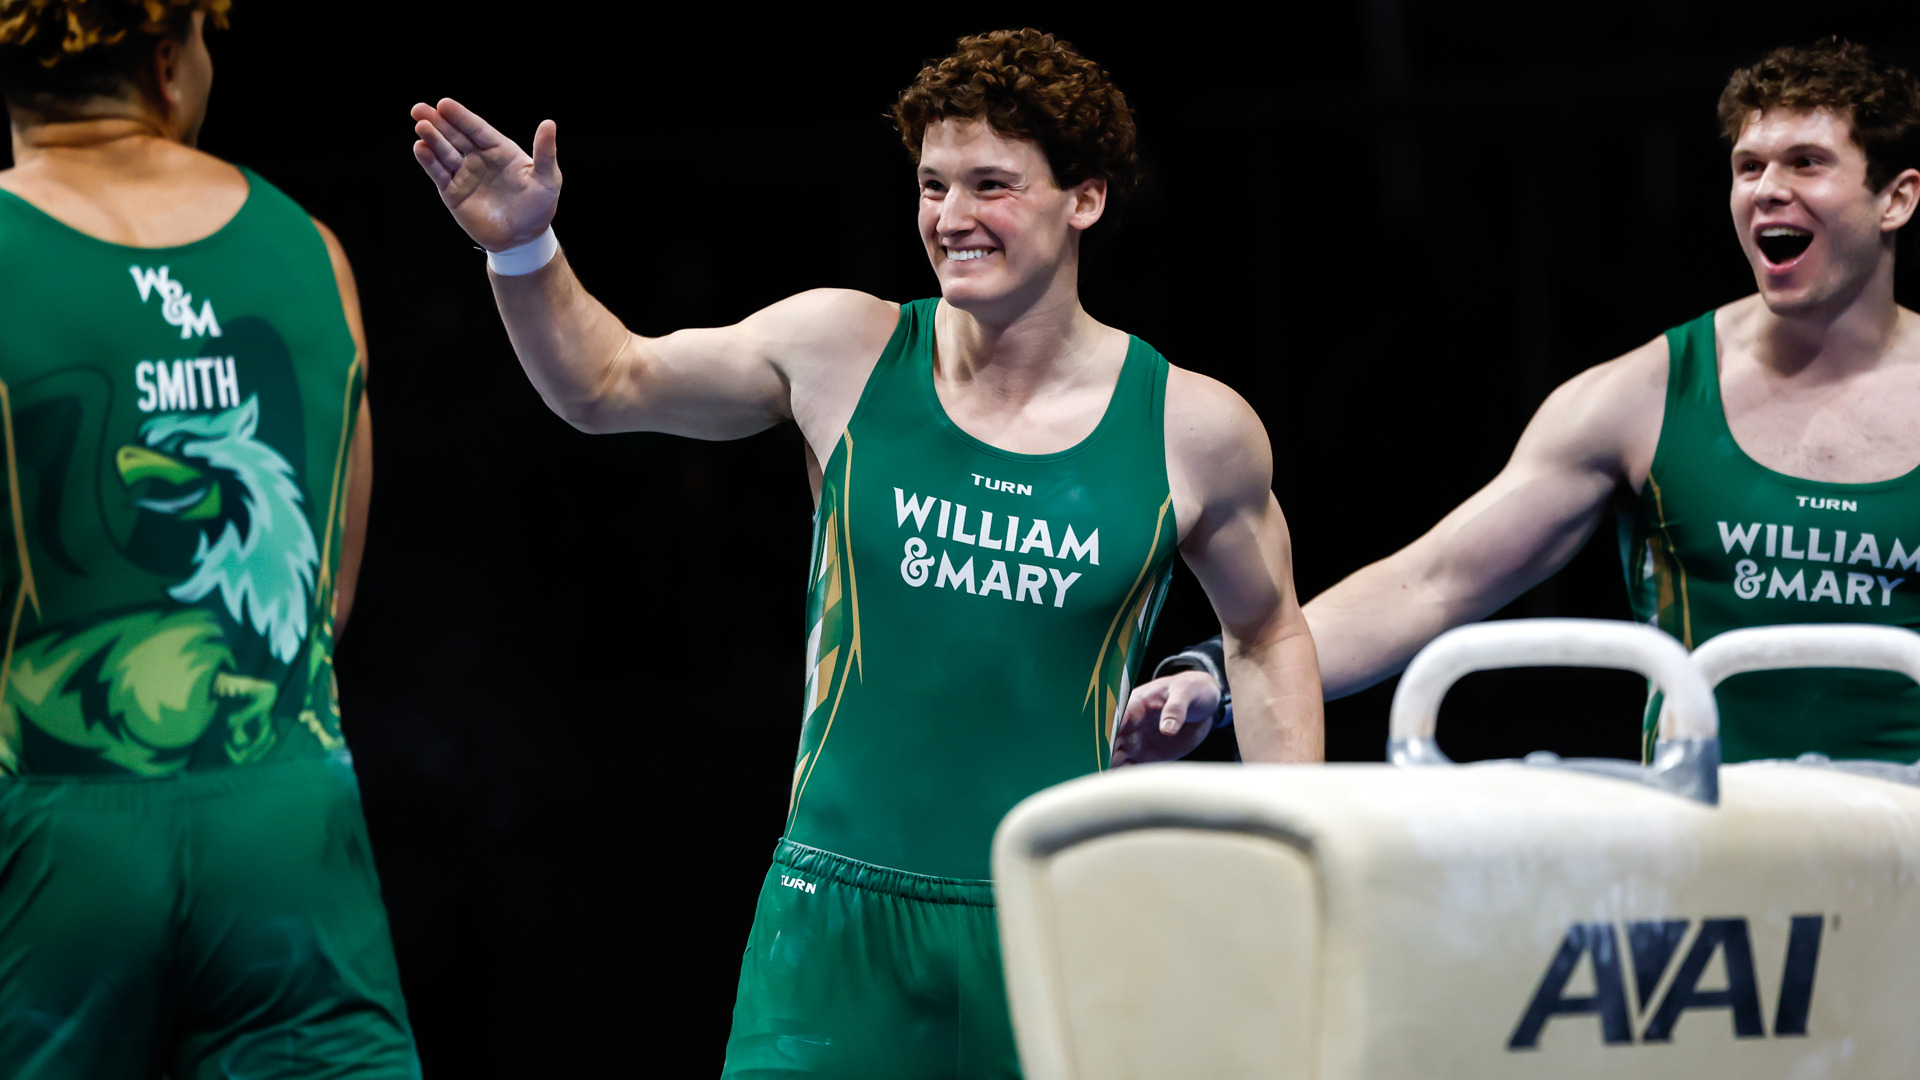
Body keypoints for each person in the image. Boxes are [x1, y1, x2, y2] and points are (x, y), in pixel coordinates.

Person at [410, 27, 1321, 1078]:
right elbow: (605, 384)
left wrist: (1291, 850)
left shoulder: (1193, 430)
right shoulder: (841, 349)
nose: (951, 218)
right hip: (831, 927)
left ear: (1086, 198)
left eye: (991, 184)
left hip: (1054, 924)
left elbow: (1267, 634)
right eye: (932, 185)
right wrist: (522, 250)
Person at [1118, 38, 1920, 770]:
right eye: (1749, 168)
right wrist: (1216, 671)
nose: (1768, 191)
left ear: (1897, 200)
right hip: (1717, 865)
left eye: (1807, 163)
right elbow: (1429, 584)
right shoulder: (1644, 397)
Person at [0, 3, 418, 1076]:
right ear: (167, 55)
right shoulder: (310, 249)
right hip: (284, 826)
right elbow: (326, 601)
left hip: (49, 840)